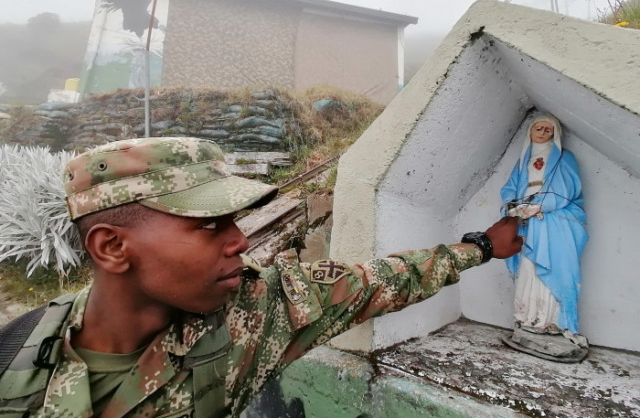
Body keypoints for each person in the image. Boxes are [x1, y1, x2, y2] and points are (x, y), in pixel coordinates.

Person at [0, 137, 522, 417]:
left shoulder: (257, 311)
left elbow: (379, 280)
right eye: (209, 226)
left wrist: (479, 247)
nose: (240, 241)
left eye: (235, 220)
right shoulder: (13, 362)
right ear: (112, 247)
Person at [500, 115, 588, 350]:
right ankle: (528, 318)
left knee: (555, 268)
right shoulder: (522, 161)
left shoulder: (564, 159)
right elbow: (510, 188)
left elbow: (567, 188)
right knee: (529, 267)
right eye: (538, 128)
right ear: (530, 131)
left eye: (548, 130)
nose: (542, 132)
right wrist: (512, 205)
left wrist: (540, 206)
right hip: (527, 222)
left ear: (555, 135)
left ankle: (552, 322)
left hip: (553, 221)